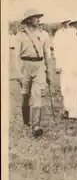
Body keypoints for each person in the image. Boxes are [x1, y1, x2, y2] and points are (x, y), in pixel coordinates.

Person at [14, 9, 52, 138]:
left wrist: (48, 71)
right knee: (25, 96)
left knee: (37, 95)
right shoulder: (20, 35)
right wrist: (18, 72)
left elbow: (47, 54)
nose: (39, 19)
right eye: (36, 17)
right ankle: (26, 122)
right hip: (25, 66)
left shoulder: (43, 34)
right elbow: (15, 57)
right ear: (29, 19)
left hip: (39, 66)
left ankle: (36, 125)